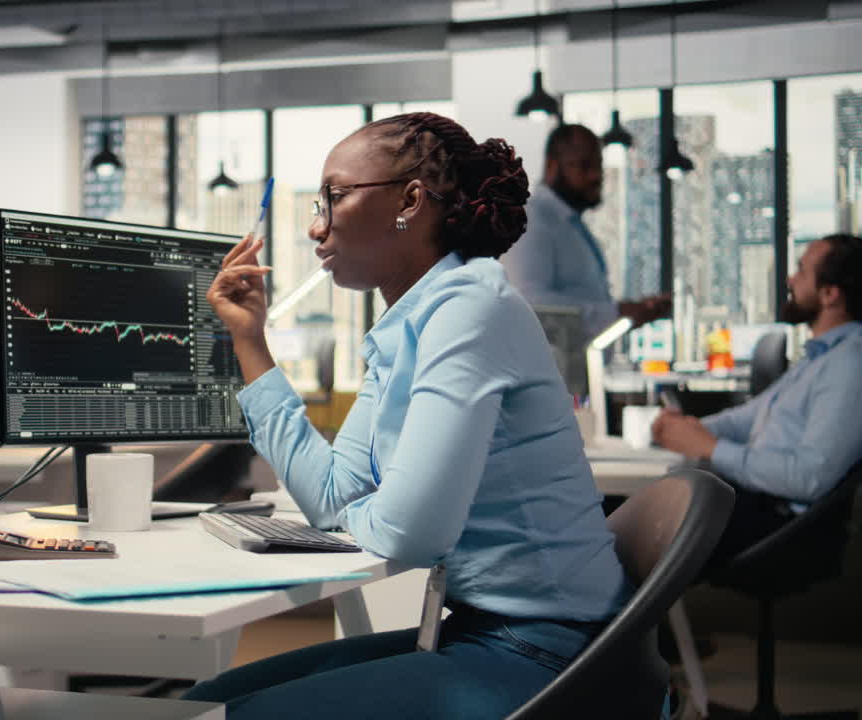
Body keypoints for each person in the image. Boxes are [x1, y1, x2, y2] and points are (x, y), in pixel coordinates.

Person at [184, 112, 633, 718]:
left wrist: (373, 509)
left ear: (411, 201)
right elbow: (331, 497)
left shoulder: (472, 306)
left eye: (333, 198)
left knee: (225, 717)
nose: (316, 227)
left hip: (553, 656)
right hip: (478, 631)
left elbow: (411, 531)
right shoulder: (405, 330)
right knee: (201, 702)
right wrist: (250, 341)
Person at [653, 233, 862, 565]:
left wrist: (710, 448)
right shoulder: (818, 357)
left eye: (801, 271)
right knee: (616, 513)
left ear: (830, 294)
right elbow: (748, 417)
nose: (790, 279)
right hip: (753, 502)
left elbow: (809, 477)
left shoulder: (850, 364)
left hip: (778, 524)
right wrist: (687, 430)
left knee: (617, 525)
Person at [501, 123, 670, 340]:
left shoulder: (569, 223)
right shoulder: (532, 221)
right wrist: (619, 312)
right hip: (549, 371)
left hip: (575, 368)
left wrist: (630, 312)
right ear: (552, 166)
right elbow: (530, 304)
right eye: (584, 166)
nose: (595, 176)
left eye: (599, 166)